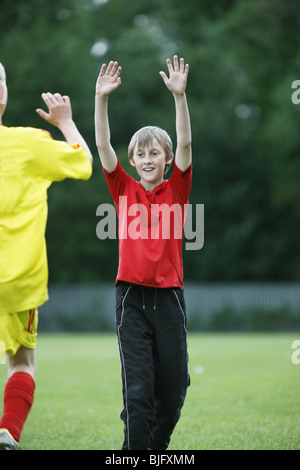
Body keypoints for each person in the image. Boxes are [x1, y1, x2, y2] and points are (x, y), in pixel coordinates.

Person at [95, 56, 192, 450]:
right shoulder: (122, 189)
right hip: (131, 299)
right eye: (141, 155)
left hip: (169, 300)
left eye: (156, 154)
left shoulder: (177, 190)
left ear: (167, 160)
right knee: (138, 390)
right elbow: (102, 143)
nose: (148, 160)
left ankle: (155, 449)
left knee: (173, 389)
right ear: (132, 160)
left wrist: (179, 97)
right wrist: (100, 100)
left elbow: (185, 141)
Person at [0, 62, 93, 450]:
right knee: (21, 363)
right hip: (18, 280)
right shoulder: (29, 142)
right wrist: (66, 122)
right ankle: (7, 432)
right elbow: (85, 163)